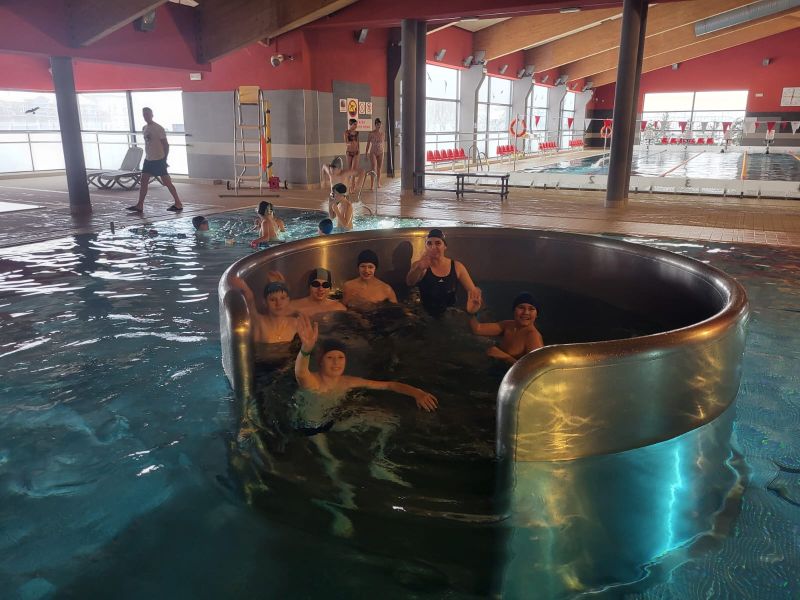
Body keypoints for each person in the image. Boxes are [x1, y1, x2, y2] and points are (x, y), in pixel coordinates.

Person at [295, 314, 438, 415]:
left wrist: (417, 393)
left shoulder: (347, 382)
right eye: (330, 357)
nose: (336, 362)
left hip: (333, 417)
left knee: (385, 421)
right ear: (320, 361)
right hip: (309, 427)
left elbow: (389, 385)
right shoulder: (313, 382)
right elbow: (301, 373)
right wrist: (306, 349)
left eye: (340, 357)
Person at [405, 229, 479, 316]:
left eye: (438, 243)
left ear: (445, 246)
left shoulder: (457, 266)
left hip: (450, 315)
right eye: (429, 243)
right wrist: (419, 268)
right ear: (426, 247)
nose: (433, 247)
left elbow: (473, 292)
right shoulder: (419, 265)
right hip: (426, 315)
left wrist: (472, 309)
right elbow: (409, 282)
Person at [126, 107, 184, 213]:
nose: (146, 116)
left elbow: (166, 145)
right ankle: (140, 205)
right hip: (148, 159)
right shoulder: (144, 128)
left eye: (148, 114)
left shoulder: (158, 128)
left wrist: (164, 159)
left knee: (166, 182)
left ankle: (178, 203)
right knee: (143, 181)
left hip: (158, 159)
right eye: (144, 115)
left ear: (152, 115)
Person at [466, 291, 544, 365]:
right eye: (521, 307)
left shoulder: (532, 337)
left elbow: (535, 370)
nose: (526, 312)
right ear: (514, 310)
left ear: (536, 314)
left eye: (531, 309)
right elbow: (478, 329)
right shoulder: (508, 325)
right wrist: (472, 312)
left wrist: (505, 357)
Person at [228, 276, 297, 344]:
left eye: (282, 298)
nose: (278, 303)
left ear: (288, 300)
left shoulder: (296, 323)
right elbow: (249, 298)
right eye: (272, 300)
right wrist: (246, 289)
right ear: (265, 302)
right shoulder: (259, 322)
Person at [364, 118, 384, 189]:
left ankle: (378, 183)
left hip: (381, 152)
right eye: (378, 124)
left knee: (379, 168)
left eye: (380, 124)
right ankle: (372, 184)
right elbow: (368, 144)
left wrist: (382, 151)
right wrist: (366, 153)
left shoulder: (382, 133)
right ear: (375, 125)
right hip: (373, 152)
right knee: (373, 168)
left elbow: (382, 144)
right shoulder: (371, 133)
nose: (379, 126)